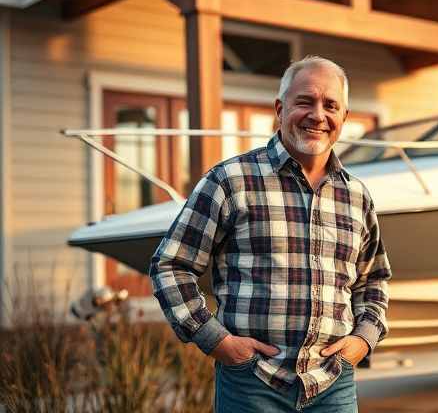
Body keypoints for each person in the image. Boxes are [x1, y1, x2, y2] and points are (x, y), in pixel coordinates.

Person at [150, 55, 391, 412]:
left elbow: (373, 279)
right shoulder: (230, 181)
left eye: (330, 105)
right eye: (305, 102)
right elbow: (171, 265)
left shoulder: (356, 195)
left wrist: (363, 339)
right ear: (280, 109)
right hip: (252, 383)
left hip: (333, 382)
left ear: (343, 118)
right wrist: (216, 340)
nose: (318, 115)